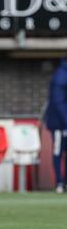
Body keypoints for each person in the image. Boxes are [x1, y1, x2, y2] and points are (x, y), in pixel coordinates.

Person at [44, 58, 67, 194]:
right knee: (58, 152)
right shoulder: (61, 76)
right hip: (59, 123)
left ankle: (64, 182)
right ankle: (59, 182)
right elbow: (59, 103)